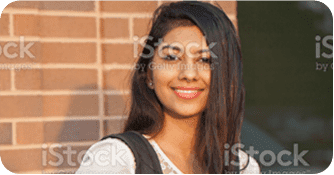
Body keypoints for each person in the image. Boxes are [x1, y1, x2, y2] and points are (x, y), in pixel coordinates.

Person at [76, 1, 260, 174]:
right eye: (172, 58)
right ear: (149, 74)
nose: (188, 74)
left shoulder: (243, 167)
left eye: (205, 60)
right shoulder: (116, 159)